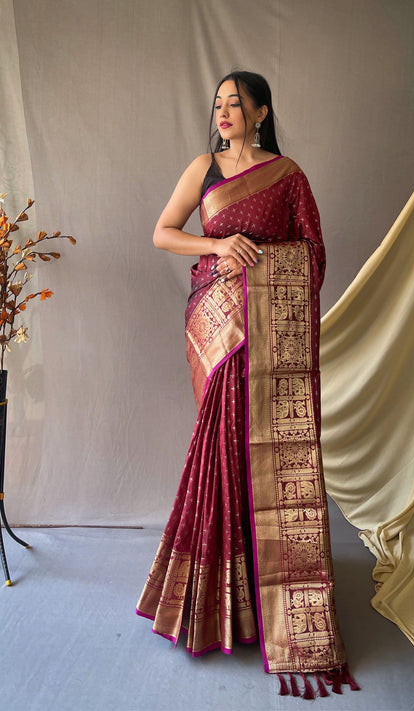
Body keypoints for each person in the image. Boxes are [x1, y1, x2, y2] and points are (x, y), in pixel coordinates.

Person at [136, 70, 358, 698]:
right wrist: (218, 241)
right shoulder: (203, 166)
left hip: (269, 335)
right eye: (218, 103)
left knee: (264, 454)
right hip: (217, 329)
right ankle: (217, 597)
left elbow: (312, 253)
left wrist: (260, 263)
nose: (224, 111)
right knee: (223, 449)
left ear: (262, 112)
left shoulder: (287, 176)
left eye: (237, 103)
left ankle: (273, 606)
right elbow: (162, 232)